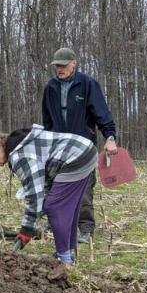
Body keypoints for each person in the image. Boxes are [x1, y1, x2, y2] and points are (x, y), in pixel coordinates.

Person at [0, 125, 98, 264]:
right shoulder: (20, 144)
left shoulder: (20, 155)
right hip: (85, 151)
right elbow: (46, 175)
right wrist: (39, 208)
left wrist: (27, 229)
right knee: (63, 207)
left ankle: (64, 259)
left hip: (77, 157)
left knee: (55, 207)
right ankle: (66, 252)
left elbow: (33, 192)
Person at [42, 47, 117, 244]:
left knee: (84, 189)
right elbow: (47, 120)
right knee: (54, 187)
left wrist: (110, 137)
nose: (60, 69)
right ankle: (55, 222)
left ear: (74, 63)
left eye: (63, 65)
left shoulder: (88, 85)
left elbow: (102, 114)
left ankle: (85, 229)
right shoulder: (50, 88)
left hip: (83, 147)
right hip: (58, 147)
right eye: (57, 66)